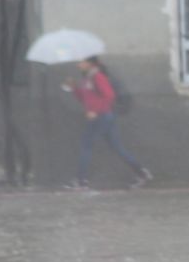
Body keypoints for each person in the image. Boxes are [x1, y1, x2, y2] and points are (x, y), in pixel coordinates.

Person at [62, 57, 151, 191]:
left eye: (81, 62)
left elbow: (109, 95)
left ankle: (81, 181)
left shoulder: (98, 77)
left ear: (90, 63)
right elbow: (86, 99)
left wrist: (95, 111)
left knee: (86, 145)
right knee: (117, 147)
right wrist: (74, 88)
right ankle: (142, 173)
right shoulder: (88, 78)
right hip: (103, 116)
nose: (78, 64)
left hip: (102, 117)